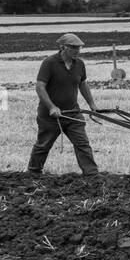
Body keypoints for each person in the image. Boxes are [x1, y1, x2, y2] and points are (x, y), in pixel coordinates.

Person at [28, 34, 99, 175]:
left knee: (82, 144)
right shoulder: (49, 63)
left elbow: (82, 84)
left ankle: (92, 174)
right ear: (62, 47)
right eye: (73, 48)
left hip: (73, 113)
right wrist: (51, 107)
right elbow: (40, 87)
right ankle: (33, 173)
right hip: (50, 116)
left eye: (79, 48)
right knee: (43, 145)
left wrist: (92, 105)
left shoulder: (79, 64)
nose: (77, 51)